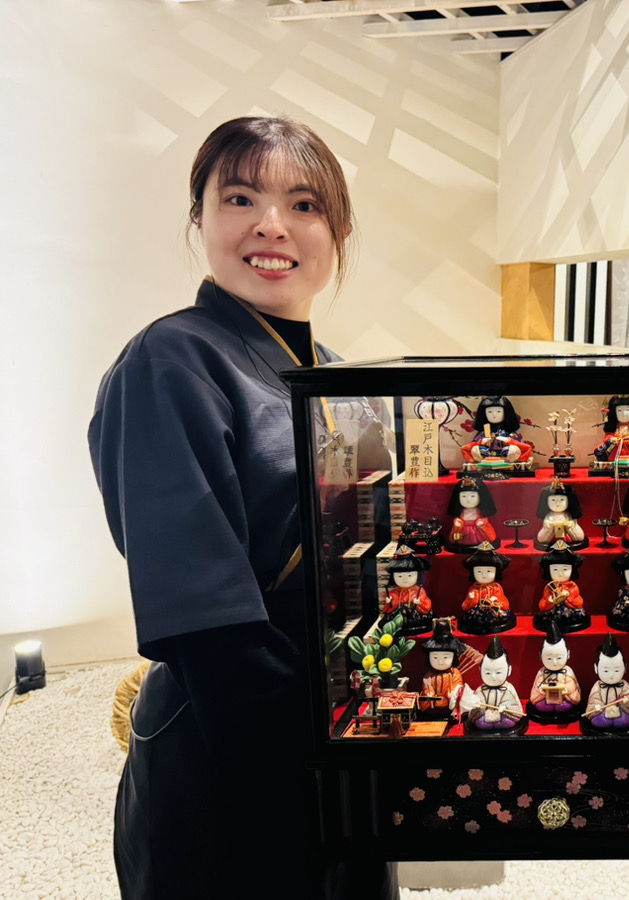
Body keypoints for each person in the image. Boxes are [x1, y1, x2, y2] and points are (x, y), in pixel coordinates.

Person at [88, 116, 394, 899]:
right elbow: (204, 614)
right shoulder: (169, 361)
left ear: (338, 231)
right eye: (240, 198)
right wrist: (302, 774)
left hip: (346, 721)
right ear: (200, 217)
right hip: (230, 734)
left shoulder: (339, 378)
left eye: (304, 204)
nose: (272, 225)